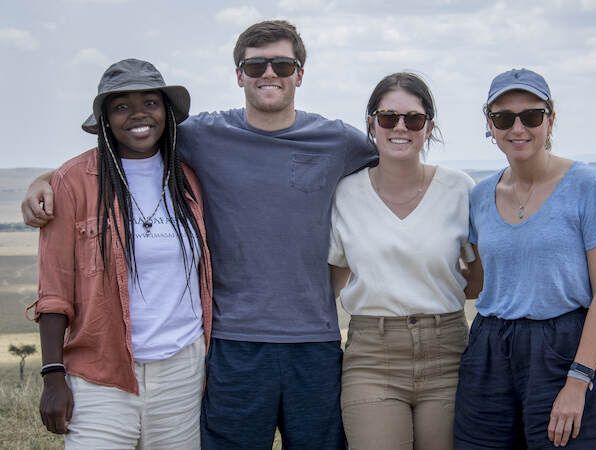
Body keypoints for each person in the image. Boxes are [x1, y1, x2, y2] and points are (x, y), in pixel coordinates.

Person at [22, 20, 376, 449]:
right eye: (256, 65)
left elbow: (394, 161)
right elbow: (125, 145)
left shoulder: (338, 140)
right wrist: (46, 179)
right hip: (231, 345)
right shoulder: (202, 137)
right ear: (238, 74)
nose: (269, 74)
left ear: (300, 74)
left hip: (313, 343)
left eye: (283, 65)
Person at [28, 58, 212, 448]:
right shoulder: (74, 182)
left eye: (150, 102)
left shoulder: (189, 177)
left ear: (166, 112)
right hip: (101, 372)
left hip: (183, 370)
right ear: (106, 119)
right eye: (121, 106)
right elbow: (54, 287)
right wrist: (52, 374)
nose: (138, 115)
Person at [453, 68, 596, 449]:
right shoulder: (480, 195)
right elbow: (478, 280)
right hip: (490, 350)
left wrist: (578, 380)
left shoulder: (588, 186)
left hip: (562, 349)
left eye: (531, 116)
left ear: (550, 119)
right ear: (489, 125)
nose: (518, 128)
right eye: (503, 118)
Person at [329, 72, 483, 450]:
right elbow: (332, 281)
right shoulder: (345, 193)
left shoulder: (460, 189)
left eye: (413, 119)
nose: (401, 127)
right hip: (372, 357)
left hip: (447, 352)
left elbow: (478, 278)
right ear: (371, 124)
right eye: (387, 117)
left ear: (429, 127)